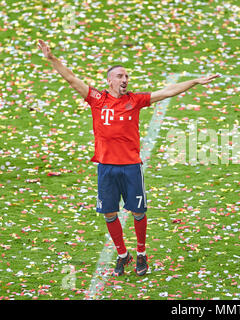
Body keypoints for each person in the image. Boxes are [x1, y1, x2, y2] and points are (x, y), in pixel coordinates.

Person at [37, 39, 219, 276]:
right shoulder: (96, 99)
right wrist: (51, 58)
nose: (125, 80)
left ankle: (142, 253)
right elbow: (71, 79)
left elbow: (167, 92)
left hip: (131, 167)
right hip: (106, 167)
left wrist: (194, 82)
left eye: (126, 77)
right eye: (120, 76)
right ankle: (123, 255)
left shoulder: (135, 100)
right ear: (109, 80)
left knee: (138, 212)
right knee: (110, 213)